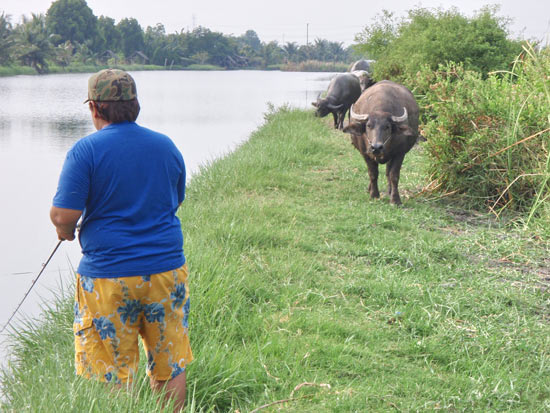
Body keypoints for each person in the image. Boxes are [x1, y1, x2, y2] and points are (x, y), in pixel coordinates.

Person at [50, 69, 192, 411]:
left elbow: (63, 215)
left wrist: (65, 232)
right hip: (165, 272)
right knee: (169, 362)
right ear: (135, 106)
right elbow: (177, 198)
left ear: (95, 109)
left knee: (113, 372)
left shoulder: (85, 151)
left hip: (107, 278)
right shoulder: (165, 146)